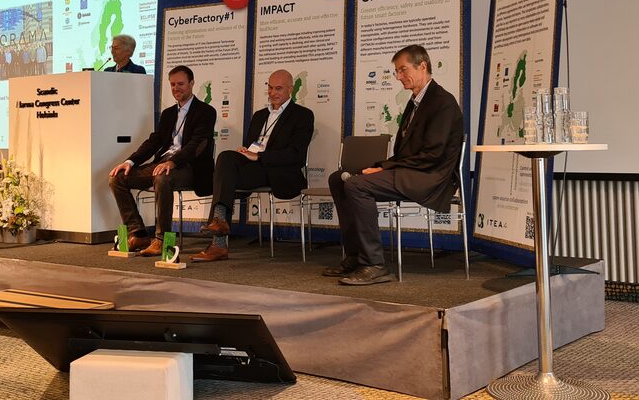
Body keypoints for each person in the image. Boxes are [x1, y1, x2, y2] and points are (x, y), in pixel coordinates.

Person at [324, 45, 463, 285]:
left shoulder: (442, 102)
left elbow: (432, 155)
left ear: (423, 66)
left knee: (357, 186)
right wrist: (384, 166)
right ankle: (356, 255)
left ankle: (374, 264)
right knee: (338, 179)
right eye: (396, 71)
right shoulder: (417, 101)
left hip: (430, 176)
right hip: (412, 170)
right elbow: (405, 152)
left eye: (403, 70)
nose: (398, 76)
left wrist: (384, 168)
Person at [192, 69, 314, 262]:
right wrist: (247, 152)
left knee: (226, 178)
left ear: (291, 89)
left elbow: (296, 155)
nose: (273, 93)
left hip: (278, 171)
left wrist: (260, 157)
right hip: (254, 167)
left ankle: (218, 242)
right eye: (270, 87)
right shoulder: (259, 115)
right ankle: (220, 222)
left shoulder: (302, 115)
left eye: (279, 89)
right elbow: (252, 145)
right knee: (226, 158)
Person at [108, 65, 216, 256]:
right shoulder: (168, 114)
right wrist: (130, 162)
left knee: (162, 178)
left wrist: (173, 162)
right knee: (117, 178)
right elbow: (153, 142)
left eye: (181, 84)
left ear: (191, 83)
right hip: (163, 163)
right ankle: (138, 233)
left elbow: (197, 145)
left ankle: (162, 239)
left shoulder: (206, 111)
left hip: (188, 166)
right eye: (173, 85)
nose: (176, 88)